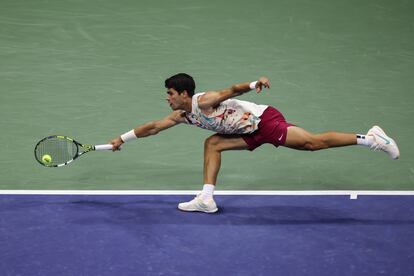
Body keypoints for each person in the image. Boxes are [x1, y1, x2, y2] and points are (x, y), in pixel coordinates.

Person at [110, 73, 400, 213]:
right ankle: (206, 198)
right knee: (212, 144)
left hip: (265, 122)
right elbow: (153, 127)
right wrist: (122, 139)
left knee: (312, 143)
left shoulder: (205, 101)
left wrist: (252, 85)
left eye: (171, 93)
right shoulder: (180, 115)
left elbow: (231, 89)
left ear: (185, 93)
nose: (167, 98)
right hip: (247, 132)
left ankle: (371, 139)